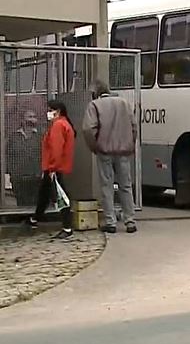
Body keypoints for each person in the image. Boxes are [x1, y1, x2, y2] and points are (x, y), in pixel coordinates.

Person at [82, 80, 138, 233]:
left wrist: (95, 146)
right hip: (123, 151)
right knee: (125, 185)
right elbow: (134, 127)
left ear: (95, 93)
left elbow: (88, 129)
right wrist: (130, 143)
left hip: (105, 151)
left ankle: (110, 221)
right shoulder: (124, 103)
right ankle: (130, 220)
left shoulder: (94, 105)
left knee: (107, 186)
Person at [26, 101, 76, 239]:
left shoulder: (58, 125)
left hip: (54, 167)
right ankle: (35, 219)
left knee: (60, 196)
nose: (48, 113)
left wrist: (52, 167)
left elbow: (56, 148)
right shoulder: (65, 124)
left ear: (57, 111)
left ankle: (67, 227)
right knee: (45, 193)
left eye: (50, 110)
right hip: (56, 166)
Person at [8, 109, 42, 207]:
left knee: (35, 202)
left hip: (36, 176)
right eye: (29, 117)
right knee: (22, 202)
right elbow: (9, 155)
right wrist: (11, 173)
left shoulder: (40, 136)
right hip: (19, 176)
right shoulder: (14, 137)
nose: (32, 119)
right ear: (22, 120)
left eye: (34, 117)